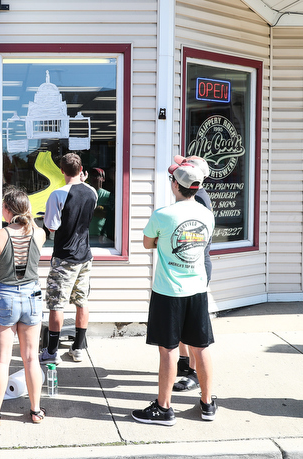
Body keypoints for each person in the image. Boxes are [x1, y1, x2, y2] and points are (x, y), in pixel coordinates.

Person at [131, 162, 216, 426]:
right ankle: (207, 403)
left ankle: (164, 408)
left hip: (168, 292)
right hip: (198, 289)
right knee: (200, 348)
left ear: (175, 185)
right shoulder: (207, 214)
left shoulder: (163, 215)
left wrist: (163, 241)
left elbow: (147, 243)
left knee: (168, 350)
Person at [0, 186, 47, 426]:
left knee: (2, 360)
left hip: (5, 296)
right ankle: (36, 411)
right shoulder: (39, 234)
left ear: (8, 210)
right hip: (32, 296)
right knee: (31, 358)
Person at [40, 153, 97, 364]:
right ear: (81, 169)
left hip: (64, 256)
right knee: (82, 301)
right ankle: (78, 348)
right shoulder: (92, 191)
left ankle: (52, 352)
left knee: (57, 304)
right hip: (85, 255)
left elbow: (52, 226)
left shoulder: (58, 194)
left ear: (61, 171)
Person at [171, 155, 213, 393]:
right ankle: (185, 364)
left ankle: (193, 374)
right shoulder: (193, 199)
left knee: (193, 328)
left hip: (195, 267)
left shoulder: (201, 201)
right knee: (182, 327)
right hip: (190, 267)